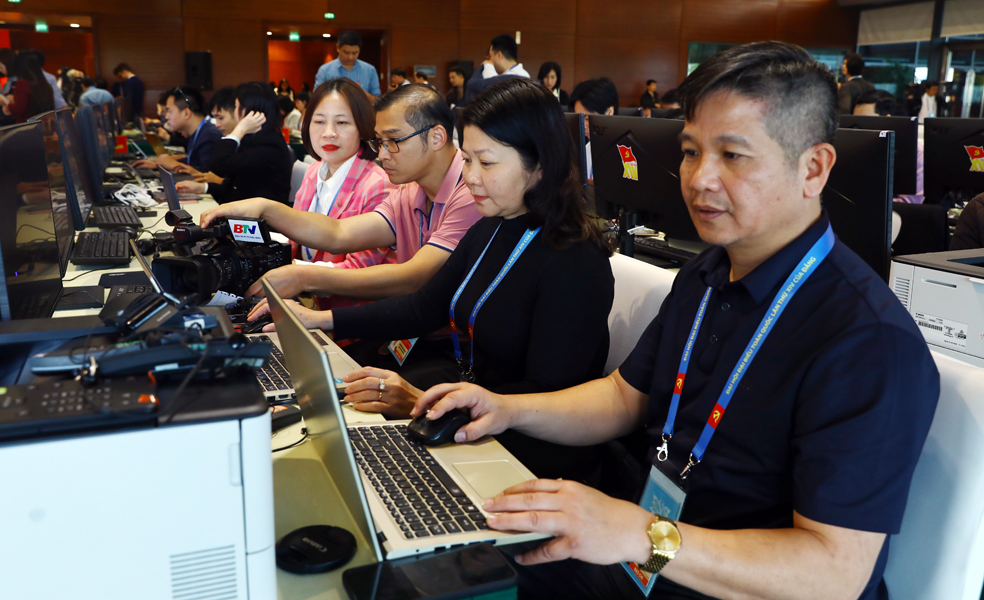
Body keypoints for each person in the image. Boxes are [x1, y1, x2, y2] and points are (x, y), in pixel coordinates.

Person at [408, 41, 940, 600]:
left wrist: (642, 536)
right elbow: (624, 396)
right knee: (437, 559)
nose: (699, 178)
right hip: (651, 554)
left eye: (732, 155)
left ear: (813, 169)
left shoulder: (867, 340)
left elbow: (835, 575)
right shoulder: (707, 273)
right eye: (690, 151)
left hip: (712, 578)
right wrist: (507, 409)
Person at [248, 79, 615, 481]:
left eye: (486, 163)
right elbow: (423, 307)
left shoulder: (576, 261)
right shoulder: (493, 225)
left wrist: (422, 401)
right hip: (474, 416)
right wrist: (321, 321)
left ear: (540, 164)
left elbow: (545, 398)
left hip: (528, 453)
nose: (470, 177)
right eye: (468, 160)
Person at [198, 84, 481, 307]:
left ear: (436, 137)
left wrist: (304, 277)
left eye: (393, 141)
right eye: (380, 142)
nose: (383, 154)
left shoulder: (469, 190)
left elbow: (414, 278)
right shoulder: (409, 189)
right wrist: (265, 208)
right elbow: (339, 233)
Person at [284, 77, 395, 309]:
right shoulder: (314, 171)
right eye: (319, 121)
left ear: (362, 127)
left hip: (356, 316)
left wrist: (294, 275)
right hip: (309, 304)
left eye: (342, 122)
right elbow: (295, 239)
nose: (329, 133)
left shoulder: (378, 185)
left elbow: (359, 271)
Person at [174, 82, 291, 205]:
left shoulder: (270, 145)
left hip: (258, 215)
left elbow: (219, 165)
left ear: (249, 112)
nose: (234, 112)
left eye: (236, 106)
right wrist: (203, 188)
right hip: (244, 209)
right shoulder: (253, 139)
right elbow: (236, 187)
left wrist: (240, 129)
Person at [134, 86, 220, 172]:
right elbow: (193, 162)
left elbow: (209, 174)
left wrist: (174, 165)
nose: (166, 117)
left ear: (186, 113)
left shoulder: (209, 135)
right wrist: (158, 164)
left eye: (169, 111)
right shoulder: (199, 132)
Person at [460, 34, 529, 106]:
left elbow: (491, 87)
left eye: (491, 56)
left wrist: (488, 66)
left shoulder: (520, 76)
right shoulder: (511, 74)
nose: (490, 60)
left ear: (499, 55)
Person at [313, 30, 381, 101]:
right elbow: (316, 98)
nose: (350, 57)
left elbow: (378, 100)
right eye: (346, 52)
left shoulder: (370, 70)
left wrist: (365, 96)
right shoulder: (325, 70)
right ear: (338, 47)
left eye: (355, 53)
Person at [571, 77, 618, 179]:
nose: (583, 125)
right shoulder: (587, 148)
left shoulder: (624, 154)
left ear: (609, 112)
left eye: (587, 118)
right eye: (579, 119)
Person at [1, 51, 55, 123]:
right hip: (44, 125)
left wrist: (5, 101)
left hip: (28, 126)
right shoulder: (44, 83)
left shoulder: (22, 83)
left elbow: (19, 110)